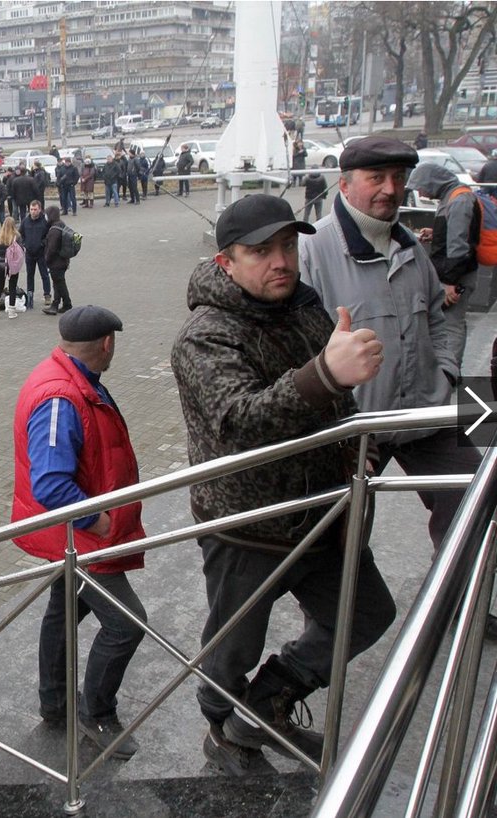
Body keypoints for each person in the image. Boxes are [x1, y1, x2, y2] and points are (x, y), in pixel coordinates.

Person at [173, 194, 396, 776]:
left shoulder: (305, 306)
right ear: (226, 263)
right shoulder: (205, 335)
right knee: (233, 648)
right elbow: (238, 420)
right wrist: (326, 374)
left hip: (324, 512)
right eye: (261, 251)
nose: (281, 261)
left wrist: (360, 446)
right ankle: (222, 727)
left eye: (288, 246)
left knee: (367, 614)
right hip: (248, 526)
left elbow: (336, 404)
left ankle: (264, 704)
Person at [299, 136, 483, 568]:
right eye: (376, 178)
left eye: (398, 178)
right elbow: (298, 344)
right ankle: (342, 609)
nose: (390, 189)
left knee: (477, 498)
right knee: (340, 538)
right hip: (356, 426)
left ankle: (456, 595)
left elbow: (440, 316)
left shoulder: (411, 246)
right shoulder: (313, 250)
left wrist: (446, 371)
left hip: (425, 409)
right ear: (345, 184)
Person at [12, 306, 147, 759]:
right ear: (107, 344)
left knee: (64, 611)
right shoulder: (60, 396)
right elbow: (51, 484)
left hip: (74, 539)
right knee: (126, 624)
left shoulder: (71, 379)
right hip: (82, 541)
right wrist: (99, 522)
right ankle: (96, 713)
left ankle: (55, 703)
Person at [407, 162, 481, 371]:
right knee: (453, 322)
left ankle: (449, 373)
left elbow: (459, 247)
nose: (421, 193)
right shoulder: (453, 196)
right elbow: (458, 232)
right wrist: (436, 233)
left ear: (433, 182)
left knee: (451, 324)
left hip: (456, 277)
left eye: (422, 187)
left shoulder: (459, 200)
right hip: (455, 273)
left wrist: (450, 283)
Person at [42, 206, 74, 316]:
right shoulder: (61, 224)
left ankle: (65, 304)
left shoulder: (54, 230)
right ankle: (58, 304)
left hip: (56, 262)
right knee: (58, 283)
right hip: (63, 260)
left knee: (59, 284)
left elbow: (52, 248)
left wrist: (46, 259)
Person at [20, 200, 50, 310]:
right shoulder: (25, 221)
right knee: (30, 275)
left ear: (40, 209)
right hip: (29, 253)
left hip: (41, 253)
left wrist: (42, 244)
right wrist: (24, 244)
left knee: (44, 274)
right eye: (31, 209)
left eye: (35, 209)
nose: (33, 212)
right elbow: (20, 234)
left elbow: (48, 236)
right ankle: (30, 296)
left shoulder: (44, 222)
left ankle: (47, 295)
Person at [0, 216, 22, 319]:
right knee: (12, 287)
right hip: (12, 265)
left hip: (0, 265)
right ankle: (11, 312)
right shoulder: (17, 237)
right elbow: (21, 251)